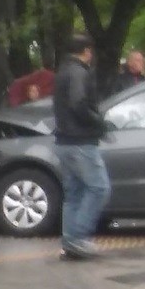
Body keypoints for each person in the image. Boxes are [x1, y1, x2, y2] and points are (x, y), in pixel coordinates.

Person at [53, 34, 111, 260]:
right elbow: (78, 102)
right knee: (99, 188)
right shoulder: (79, 72)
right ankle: (78, 238)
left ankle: (69, 242)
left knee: (74, 193)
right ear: (87, 50)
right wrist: (99, 123)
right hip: (81, 141)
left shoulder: (63, 72)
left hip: (64, 141)